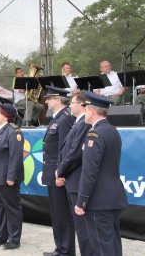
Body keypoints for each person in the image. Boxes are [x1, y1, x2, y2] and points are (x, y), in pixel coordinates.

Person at [75, 91, 128, 256]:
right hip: (112, 197)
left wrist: (81, 202)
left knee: (101, 246)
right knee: (112, 243)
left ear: (91, 111)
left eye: (86, 109)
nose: (84, 113)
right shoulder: (112, 130)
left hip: (99, 200)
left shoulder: (95, 134)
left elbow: (90, 172)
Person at [56, 92, 93, 256]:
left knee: (84, 229)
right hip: (72, 180)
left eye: (73, 102)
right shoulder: (78, 123)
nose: (70, 105)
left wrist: (61, 170)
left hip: (77, 180)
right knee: (80, 227)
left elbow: (75, 153)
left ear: (82, 105)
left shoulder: (84, 124)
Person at [0, 103, 24, 250]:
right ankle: (1, 236)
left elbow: (16, 156)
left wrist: (11, 177)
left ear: (6, 116)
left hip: (6, 177)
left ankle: (14, 239)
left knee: (12, 209)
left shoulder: (14, 131)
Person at [42, 85, 75, 256]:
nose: (46, 101)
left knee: (63, 215)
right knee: (56, 215)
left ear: (57, 99)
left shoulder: (65, 118)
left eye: (48, 98)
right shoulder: (56, 118)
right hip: (51, 173)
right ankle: (59, 248)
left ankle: (66, 251)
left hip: (58, 175)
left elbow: (66, 149)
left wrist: (60, 173)